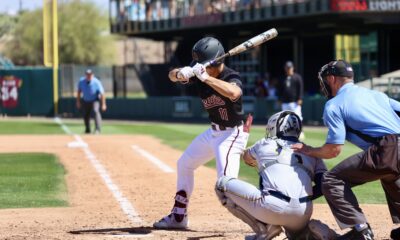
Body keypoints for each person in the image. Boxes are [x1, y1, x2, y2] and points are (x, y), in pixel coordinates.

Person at [292, 60, 400, 240]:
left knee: (331, 180)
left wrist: (310, 150)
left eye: (325, 80)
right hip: (393, 147)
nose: (324, 85)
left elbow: (333, 150)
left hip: (387, 149)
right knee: (391, 176)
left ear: (332, 79)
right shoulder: (377, 95)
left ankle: (361, 230)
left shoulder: (334, 105)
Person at [153, 37, 250, 229]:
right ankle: (179, 216)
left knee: (226, 188)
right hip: (213, 132)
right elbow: (170, 75)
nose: (198, 68)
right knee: (184, 164)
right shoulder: (199, 69)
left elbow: (234, 93)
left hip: (232, 135)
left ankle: (264, 220)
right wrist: (180, 73)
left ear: (216, 62)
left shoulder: (231, 76)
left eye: (202, 64)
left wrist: (206, 78)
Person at [216, 111, 336, 240]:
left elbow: (246, 158)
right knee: (297, 236)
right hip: (303, 213)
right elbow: (325, 183)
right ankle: (313, 232)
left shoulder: (264, 143)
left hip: (271, 206)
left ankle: (264, 229)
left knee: (221, 184)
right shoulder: (312, 152)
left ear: (274, 128)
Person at [76, 69, 107, 134]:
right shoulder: (81, 81)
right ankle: (87, 129)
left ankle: (97, 129)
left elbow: (102, 93)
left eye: (90, 74)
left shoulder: (96, 82)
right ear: (85, 75)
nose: (89, 76)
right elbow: (79, 92)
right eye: (87, 74)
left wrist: (103, 104)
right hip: (85, 100)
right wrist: (78, 102)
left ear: (93, 75)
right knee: (85, 115)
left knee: (96, 111)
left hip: (95, 100)